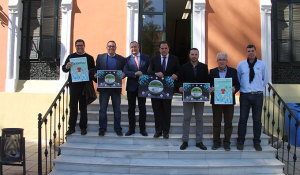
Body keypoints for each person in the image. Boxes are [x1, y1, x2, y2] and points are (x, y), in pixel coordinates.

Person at [236, 44, 268, 151]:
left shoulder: (262, 64)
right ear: (246, 52)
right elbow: (238, 79)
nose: (251, 53)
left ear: (256, 52)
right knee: (243, 119)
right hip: (245, 95)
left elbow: (265, 79)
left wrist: (257, 87)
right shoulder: (241, 65)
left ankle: (257, 142)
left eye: (252, 51)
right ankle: (240, 141)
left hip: (257, 95)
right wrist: (245, 88)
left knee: (257, 120)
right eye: (249, 51)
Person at [62, 39, 95, 136]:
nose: (79, 47)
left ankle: (83, 127)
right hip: (74, 86)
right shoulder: (71, 57)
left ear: (84, 46)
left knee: (83, 108)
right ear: (75, 46)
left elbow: (93, 70)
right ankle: (71, 127)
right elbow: (64, 69)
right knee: (72, 107)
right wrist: (67, 66)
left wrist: (90, 72)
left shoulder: (89, 58)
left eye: (81, 45)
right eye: (77, 45)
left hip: (85, 86)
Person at [148, 41, 180, 139]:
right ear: (159, 49)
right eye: (162, 48)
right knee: (157, 110)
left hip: (168, 89)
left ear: (168, 49)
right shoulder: (154, 59)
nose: (164, 50)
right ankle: (158, 131)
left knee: (166, 111)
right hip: (156, 89)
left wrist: (176, 75)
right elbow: (149, 71)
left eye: (166, 48)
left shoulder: (174, 59)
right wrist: (156, 74)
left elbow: (179, 70)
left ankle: (166, 131)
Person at [178, 48, 209, 150]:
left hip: (200, 97)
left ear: (198, 55)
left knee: (199, 119)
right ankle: (185, 141)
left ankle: (199, 141)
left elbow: (207, 81)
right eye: (192, 54)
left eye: (196, 54)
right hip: (187, 97)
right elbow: (180, 80)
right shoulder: (183, 67)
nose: (194, 56)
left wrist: (209, 88)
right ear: (189, 55)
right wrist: (180, 87)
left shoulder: (204, 67)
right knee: (186, 118)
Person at [94, 40, 126, 136]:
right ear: (106, 47)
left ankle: (118, 128)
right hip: (104, 89)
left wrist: (124, 74)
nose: (111, 48)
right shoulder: (100, 57)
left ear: (116, 48)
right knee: (103, 109)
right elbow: (96, 68)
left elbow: (124, 71)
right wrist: (95, 73)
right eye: (109, 46)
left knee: (117, 109)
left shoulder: (121, 59)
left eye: (113, 46)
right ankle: (102, 128)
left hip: (116, 89)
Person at [209, 52, 240, 151]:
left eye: (223, 59)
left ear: (227, 61)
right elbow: (209, 84)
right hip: (216, 101)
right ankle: (216, 142)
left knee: (228, 123)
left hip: (228, 100)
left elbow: (238, 84)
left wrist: (235, 88)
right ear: (217, 61)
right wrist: (210, 89)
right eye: (219, 60)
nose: (221, 61)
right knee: (216, 122)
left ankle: (227, 143)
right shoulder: (212, 71)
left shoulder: (233, 71)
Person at [124, 41, 150, 136]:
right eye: (132, 47)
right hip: (131, 87)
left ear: (138, 47)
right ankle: (131, 129)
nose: (133, 48)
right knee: (131, 109)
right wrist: (135, 74)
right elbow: (125, 71)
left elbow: (149, 70)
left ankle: (142, 129)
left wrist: (143, 74)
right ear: (130, 48)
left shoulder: (146, 58)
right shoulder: (126, 60)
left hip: (142, 86)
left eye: (135, 47)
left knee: (142, 108)